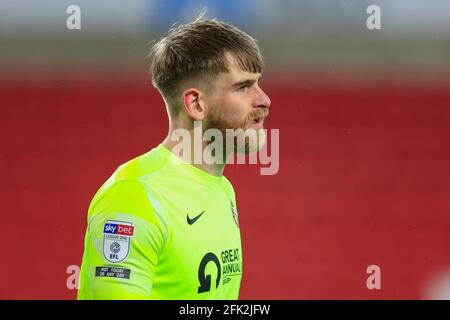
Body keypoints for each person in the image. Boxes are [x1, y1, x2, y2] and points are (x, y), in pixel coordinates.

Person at [77, 16, 271, 300]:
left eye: (258, 84)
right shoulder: (134, 197)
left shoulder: (222, 189)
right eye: (243, 87)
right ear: (196, 104)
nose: (264, 99)